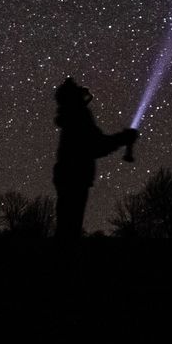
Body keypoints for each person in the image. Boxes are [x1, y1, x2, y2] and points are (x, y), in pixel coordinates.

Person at [52, 77, 138, 240]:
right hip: (75, 177)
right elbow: (95, 146)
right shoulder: (79, 116)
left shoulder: (70, 117)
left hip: (67, 176)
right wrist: (123, 138)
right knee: (70, 229)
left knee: (65, 227)